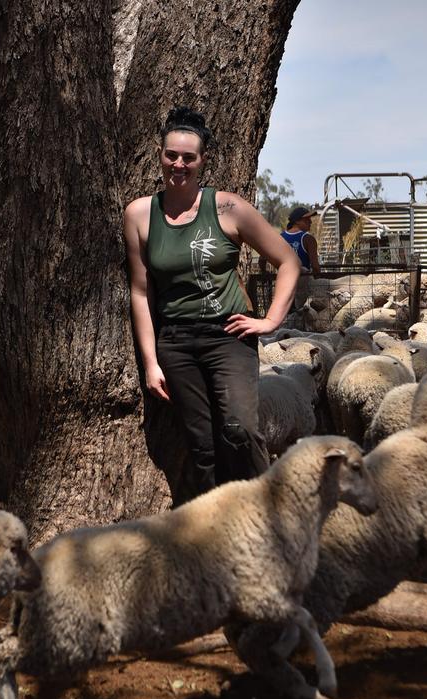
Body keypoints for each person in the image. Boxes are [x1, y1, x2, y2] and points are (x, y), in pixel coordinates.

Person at [123, 106, 300, 498]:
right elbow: (140, 291)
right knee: (200, 444)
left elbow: (288, 261)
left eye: (189, 157)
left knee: (239, 429)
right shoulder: (139, 214)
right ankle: (212, 528)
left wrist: (269, 320)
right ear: (160, 155)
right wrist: (150, 362)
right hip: (176, 342)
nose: (179, 164)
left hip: (228, 336)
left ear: (203, 161)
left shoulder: (227, 208)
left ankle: (263, 511)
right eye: (171, 155)